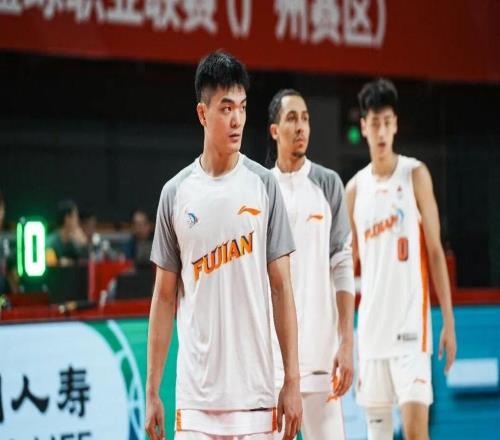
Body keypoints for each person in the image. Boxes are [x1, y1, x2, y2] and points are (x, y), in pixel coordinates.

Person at [145, 51, 302, 440]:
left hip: (256, 399)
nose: (237, 120)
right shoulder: (175, 194)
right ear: (203, 113)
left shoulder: (264, 186)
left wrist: (292, 381)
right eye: (226, 108)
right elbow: (163, 297)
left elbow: (282, 288)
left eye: (242, 108)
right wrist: (152, 391)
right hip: (196, 403)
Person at [345, 78, 457, 440]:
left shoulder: (415, 175)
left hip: (411, 332)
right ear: (364, 127)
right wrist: (343, 336)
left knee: (415, 434)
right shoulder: (354, 190)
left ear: (395, 125)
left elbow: (435, 251)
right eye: (374, 123)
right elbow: (346, 269)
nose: (381, 131)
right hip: (371, 336)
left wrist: (449, 321)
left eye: (387, 122)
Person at [267, 89, 355, 439]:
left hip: (322, 361)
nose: (301, 126)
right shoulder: (260, 188)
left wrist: (346, 342)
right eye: (291, 118)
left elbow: (343, 266)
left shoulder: (328, 184)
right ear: (274, 130)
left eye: (305, 118)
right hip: (272, 365)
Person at [46, 199, 88, 266]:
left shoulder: (73, 243)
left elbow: (84, 264)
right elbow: (50, 264)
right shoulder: (50, 243)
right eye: (75, 216)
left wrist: (83, 245)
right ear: (67, 218)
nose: (77, 220)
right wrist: (61, 262)